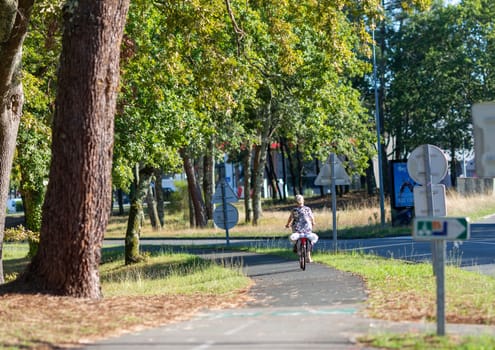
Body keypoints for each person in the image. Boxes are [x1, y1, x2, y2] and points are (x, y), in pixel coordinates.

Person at [285, 194, 319, 262]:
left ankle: (297, 249)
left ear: (295, 202)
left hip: (297, 229)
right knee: (309, 239)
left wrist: (288, 224)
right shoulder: (307, 209)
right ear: (303, 201)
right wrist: (313, 222)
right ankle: (308, 257)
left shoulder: (294, 210)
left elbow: (291, 218)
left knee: (295, 238)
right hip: (307, 228)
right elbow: (311, 217)